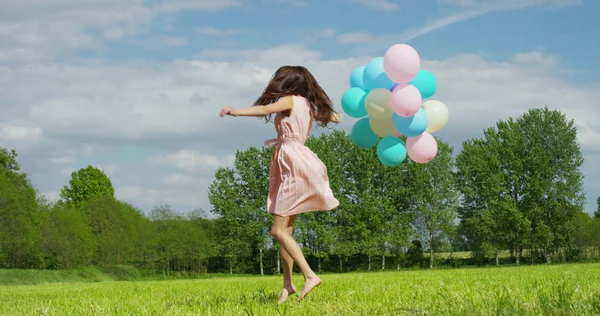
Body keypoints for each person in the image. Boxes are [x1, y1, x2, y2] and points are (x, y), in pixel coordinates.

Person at [219, 65, 341, 303]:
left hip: (293, 163)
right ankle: (288, 285)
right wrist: (333, 115)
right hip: (300, 161)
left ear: (288, 84)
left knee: (277, 230)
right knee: (286, 231)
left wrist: (235, 111)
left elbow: (265, 108)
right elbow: (331, 116)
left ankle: (309, 275)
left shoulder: (291, 101)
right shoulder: (306, 105)